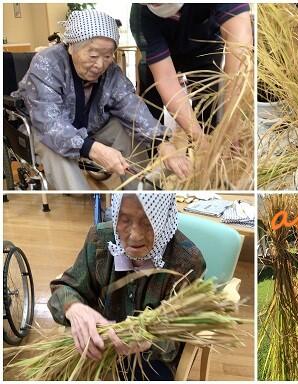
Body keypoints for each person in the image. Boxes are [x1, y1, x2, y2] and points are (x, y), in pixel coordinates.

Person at [13, 10, 190, 190]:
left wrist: (161, 142)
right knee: (54, 150)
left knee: (125, 131)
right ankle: (82, 202)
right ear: (71, 47)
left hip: (90, 124)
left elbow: (130, 105)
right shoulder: (47, 63)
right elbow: (48, 122)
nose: (100, 65)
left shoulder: (110, 71)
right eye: (93, 55)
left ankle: (142, 192)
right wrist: (93, 149)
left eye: (107, 56)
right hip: (44, 129)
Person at [47, 193, 205, 380]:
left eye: (148, 222)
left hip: (150, 358)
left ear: (163, 217)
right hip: (101, 344)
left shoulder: (186, 261)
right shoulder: (99, 240)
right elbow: (65, 287)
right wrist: (73, 307)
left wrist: (149, 339)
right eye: (124, 220)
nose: (135, 235)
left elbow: (181, 333)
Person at [130, 3, 253, 138]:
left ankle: (206, 153)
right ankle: (157, 150)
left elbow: (240, 51)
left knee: (208, 100)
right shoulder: (141, 16)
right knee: (151, 101)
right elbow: (166, 81)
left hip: (204, 47)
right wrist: (198, 139)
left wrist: (231, 122)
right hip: (163, 52)